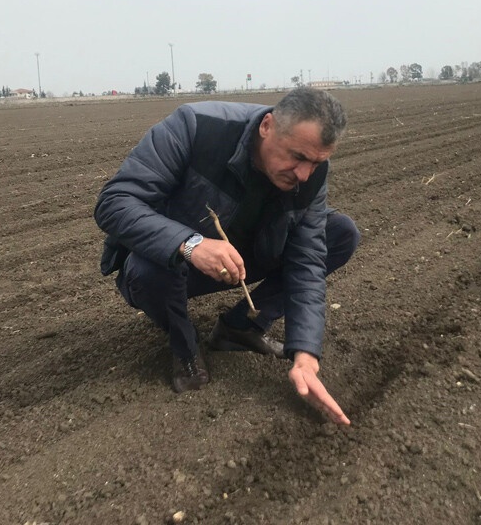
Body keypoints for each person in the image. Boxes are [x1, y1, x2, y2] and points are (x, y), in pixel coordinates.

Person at [94, 87, 359, 425]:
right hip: (177, 262)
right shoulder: (196, 126)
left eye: (316, 163)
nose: (304, 175)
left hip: (244, 260)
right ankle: (185, 344)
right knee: (147, 268)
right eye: (297, 157)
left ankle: (240, 328)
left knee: (340, 233)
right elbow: (114, 202)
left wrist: (306, 355)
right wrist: (190, 243)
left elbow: (307, 260)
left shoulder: (310, 173)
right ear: (267, 126)